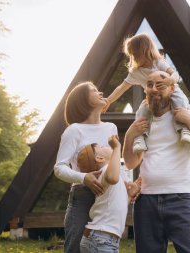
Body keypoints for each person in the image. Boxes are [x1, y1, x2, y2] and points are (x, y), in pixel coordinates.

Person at [123, 71, 190, 253]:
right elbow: (130, 163)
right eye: (149, 85)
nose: (154, 89)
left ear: (172, 88)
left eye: (160, 85)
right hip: (146, 201)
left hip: (180, 199)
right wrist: (129, 135)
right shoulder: (142, 119)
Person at [54, 81, 118, 253]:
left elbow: (115, 162)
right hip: (82, 196)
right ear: (82, 100)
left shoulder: (111, 128)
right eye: (94, 90)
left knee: (104, 247)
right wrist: (84, 178)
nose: (100, 92)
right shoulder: (74, 130)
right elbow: (59, 167)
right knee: (75, 248)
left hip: (107, 196)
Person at [103, 33, 190, 154]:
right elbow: (121, 88)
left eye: (135, 54)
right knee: (142, 111)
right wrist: (108, 100)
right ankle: (140, 138)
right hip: (153, 98)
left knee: (180, 102)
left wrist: (170, 80)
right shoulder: (136, 72)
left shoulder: (158, 63)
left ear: (144, 51)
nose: (133, 57)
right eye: (132, 55)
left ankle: (184, 129)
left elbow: (175, 75)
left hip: (171, 92)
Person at [76, 136, 141, 253]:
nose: (105, 146)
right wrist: (116, 147)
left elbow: (114, 203)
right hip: (101, 239)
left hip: (101, 238)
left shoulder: (109, 175)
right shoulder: (107, 171)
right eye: (101, 147)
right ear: (99, 158)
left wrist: (129, 195)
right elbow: (113, 177)